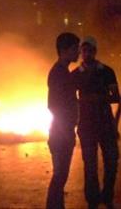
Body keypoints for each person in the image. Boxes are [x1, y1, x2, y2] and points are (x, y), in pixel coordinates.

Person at [73, 36, 120, 209]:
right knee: (90, 164)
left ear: (95, 51)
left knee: (112, 161)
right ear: (81, 52)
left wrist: (95, 98)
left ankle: (107, 195)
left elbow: (116, 96)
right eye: (84, 51)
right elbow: (70, 99)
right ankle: (92, 199)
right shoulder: (76, 74)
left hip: (105, 122)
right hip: (86, 124)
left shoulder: (107, 71)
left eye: (90, 50)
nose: (87, 54)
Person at [46, 32, 81, 209]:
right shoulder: (58, 73)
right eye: (75, 48)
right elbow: (53, 105)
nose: (78, 52)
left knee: (60, 177)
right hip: (61, 134)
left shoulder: (62, 72)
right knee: (60, 176)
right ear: (64, 50)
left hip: (62, 132)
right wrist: (66, 131)